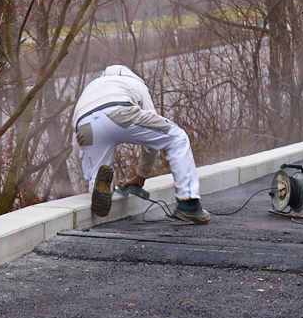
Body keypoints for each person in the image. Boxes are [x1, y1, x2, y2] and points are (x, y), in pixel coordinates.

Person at [73, 64, 208, 223]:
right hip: (120, 111)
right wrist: (142, 174)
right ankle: (189, 203)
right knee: (177, 137)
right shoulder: (135, 84)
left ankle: (100, 185)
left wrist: (87, 173)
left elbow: (76, 145)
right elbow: (152, 142)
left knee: (96, 176)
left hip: (85, 126)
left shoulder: (93, 87)